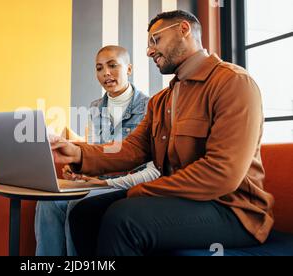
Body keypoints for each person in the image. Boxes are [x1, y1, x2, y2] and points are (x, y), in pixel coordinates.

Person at [50, 10, 274, 256]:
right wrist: (76, 154)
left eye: (155, 40)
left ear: (184, 29)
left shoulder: (233, 82)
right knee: (84, 213)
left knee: (123, 218)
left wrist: (139, 192)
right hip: (182, 201)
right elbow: (131, 149)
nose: (149, 51)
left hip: (233, 211)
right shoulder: (161, 100)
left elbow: (222, 173)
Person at [35, 45, 160, 256]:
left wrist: (99, 180)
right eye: (99, 68)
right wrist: (79, 170)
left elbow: (152, 165)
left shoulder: (151, 107)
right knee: (47, 203)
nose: (106, 74)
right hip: (97, 182)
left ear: (128, 69)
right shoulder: (94, 107)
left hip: (127, 183)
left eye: (113, 66)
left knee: (76, 205)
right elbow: (94, 149)